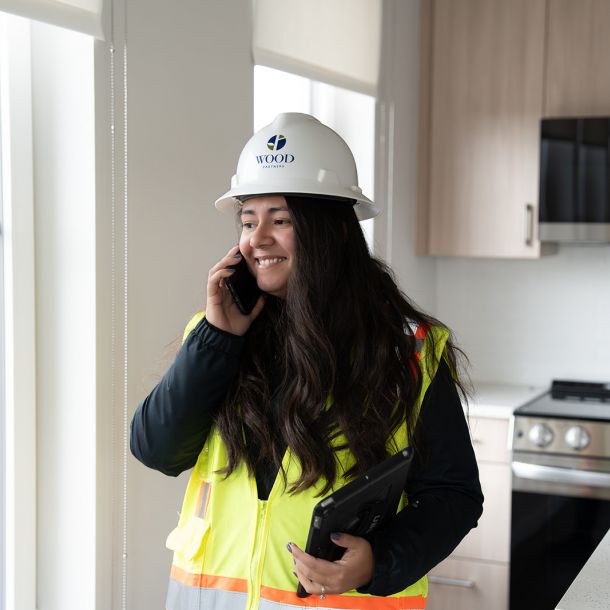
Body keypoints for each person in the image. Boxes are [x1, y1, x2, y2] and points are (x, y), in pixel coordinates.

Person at [130, 112, 483, 610]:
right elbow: (156, 449)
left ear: (332, 230)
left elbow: (453, 495)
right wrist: (216, 340)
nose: (257, 239)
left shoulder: (407, 351)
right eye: (248, 221)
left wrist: (378, 559)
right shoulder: (216, 335)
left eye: (281, 220)